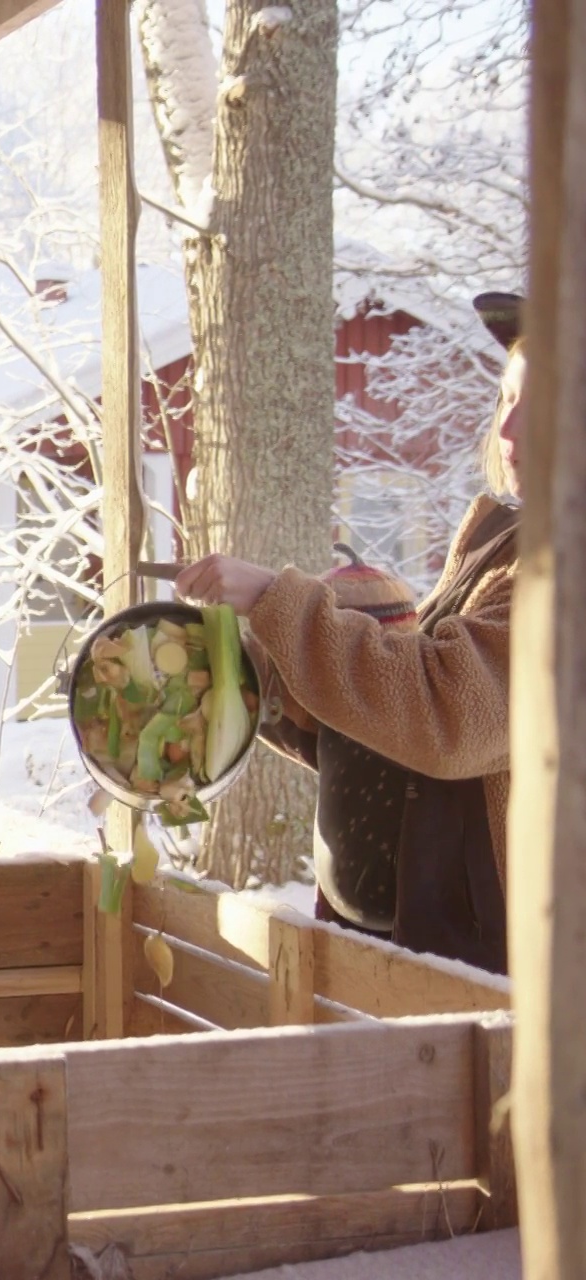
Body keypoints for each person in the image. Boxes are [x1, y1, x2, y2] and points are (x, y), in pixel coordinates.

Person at [175, 292, 525, 975]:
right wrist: (269, 691)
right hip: (435, 955)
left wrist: (279, 602)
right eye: (507, 401)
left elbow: (449, 714)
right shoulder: (508, 546)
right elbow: (410, 729)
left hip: (515, 979)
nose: (509, 432)